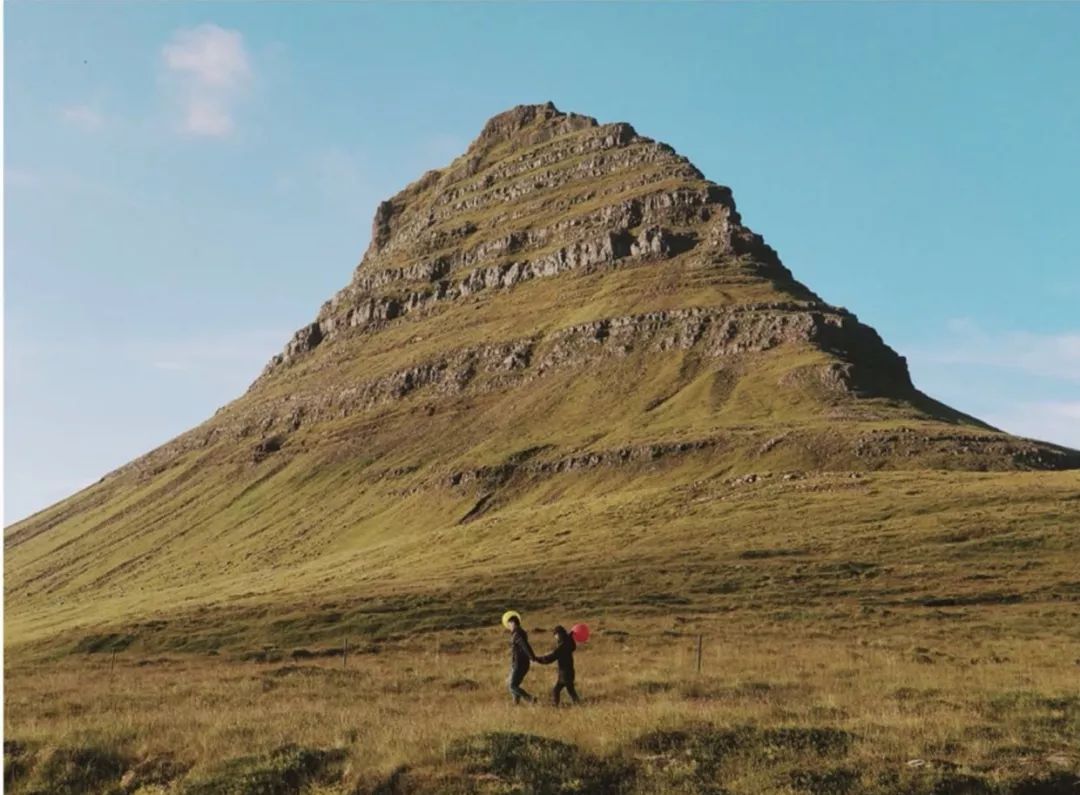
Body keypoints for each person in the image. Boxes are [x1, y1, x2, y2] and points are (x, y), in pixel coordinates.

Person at [535, 625, 580, 705]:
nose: (555, 637)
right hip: (568, 671)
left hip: (565, 672)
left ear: (558, 634)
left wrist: (539, 659)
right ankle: (577, 703)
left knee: (556, 690)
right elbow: (571, 645)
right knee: (570, 690)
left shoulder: (562, 646)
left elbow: (552, 657)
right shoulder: (568, 642)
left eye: (555, 635)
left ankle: (555, 705)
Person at [506, 614, 537, 704]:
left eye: (509, 624)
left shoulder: (517, 634)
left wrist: (532, 657)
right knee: (514, 684)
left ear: (513, 623)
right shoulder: (519, 633)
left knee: (512, 686)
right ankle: (516, 703)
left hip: (519, 663)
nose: (508, 627)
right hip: (519, 663)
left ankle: (530, 699)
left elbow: (525, 646)